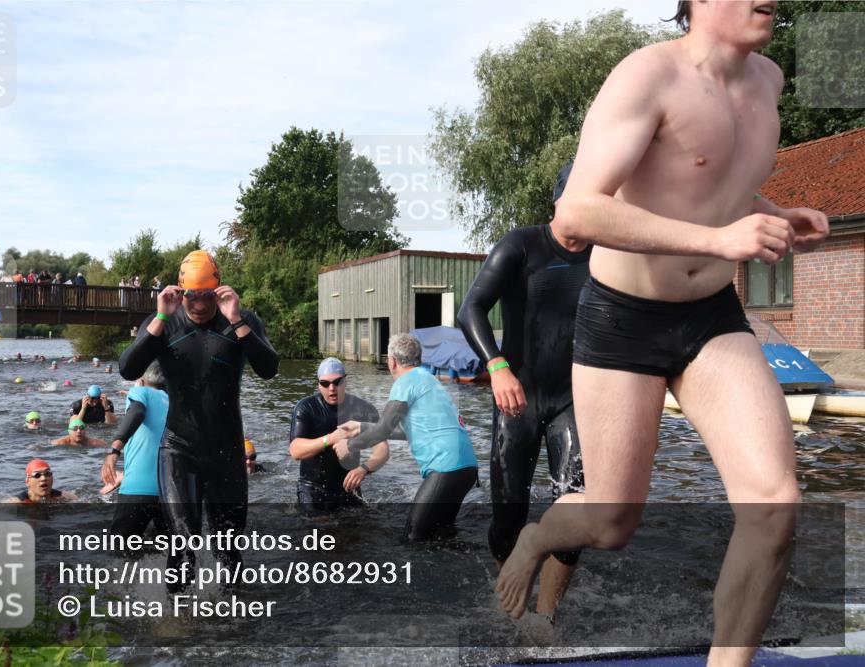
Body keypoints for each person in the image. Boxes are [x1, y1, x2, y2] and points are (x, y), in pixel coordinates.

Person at [494, 3, 830, 663]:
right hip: (623, 319)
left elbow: (716, 188)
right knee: (612, 521)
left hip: (710, 318)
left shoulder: (769, 81)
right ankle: (536, 538)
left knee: (774, 502)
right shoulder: (646, 76)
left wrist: (777, 213)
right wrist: (719, 238)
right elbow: (579, 210)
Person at [457, 162, 588, 619]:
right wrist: (497, 367)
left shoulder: (607, 256)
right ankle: (512, 604)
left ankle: (545, 617)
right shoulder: (521, 245)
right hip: (518, 400)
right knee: (509, 517)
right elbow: (470, 307)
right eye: (581, 195)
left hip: (574, 402)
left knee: (575, 515)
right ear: (559, 199)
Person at [119, 249, 278, 588]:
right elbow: (128, 368)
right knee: (183, 544)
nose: (200, 305)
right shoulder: (164, 321)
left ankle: (234, 621)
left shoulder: (240, 318)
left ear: (219, 288)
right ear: (180, 290)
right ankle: (177, 623)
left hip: (226, 452)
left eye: (207, 295)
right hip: (179, 449)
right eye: (193, 296)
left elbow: (270, 369)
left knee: (230, 551)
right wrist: (161, 318)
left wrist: (236, 320)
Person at [340, 334, 478, 540]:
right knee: (441, 534)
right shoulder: (429, 380)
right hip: (467, 467)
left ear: (392, 361)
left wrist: (350, 445)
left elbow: (383, 431)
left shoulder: (405, 382)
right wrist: (361, 426)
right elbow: (410, 431)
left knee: (413, 538)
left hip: (446, 467)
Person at [289, 357, 389, 513]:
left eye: (337, 382)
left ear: (345, 381)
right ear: (318, 384)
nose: (331, 388)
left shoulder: (363, 409)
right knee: (317, 531)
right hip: (313, 488)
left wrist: (364, 469)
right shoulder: (306, 407)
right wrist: (331, 439)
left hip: (349, 487)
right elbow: (295, 451)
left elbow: (383, 450)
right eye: (325, 383)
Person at [100, 362, 170, 542]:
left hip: (139, 487)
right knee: (167, 552)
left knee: (121, 550)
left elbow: (137, 411)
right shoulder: (177, 402)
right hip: (172, 492)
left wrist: (114, 450)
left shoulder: (141, 392)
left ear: (142, 380)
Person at [5, 459, 75, 503]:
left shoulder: (65, 497)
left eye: (47, 473)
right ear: (27, 481)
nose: (43, 478)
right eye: (37, 475)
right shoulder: (16, 503)